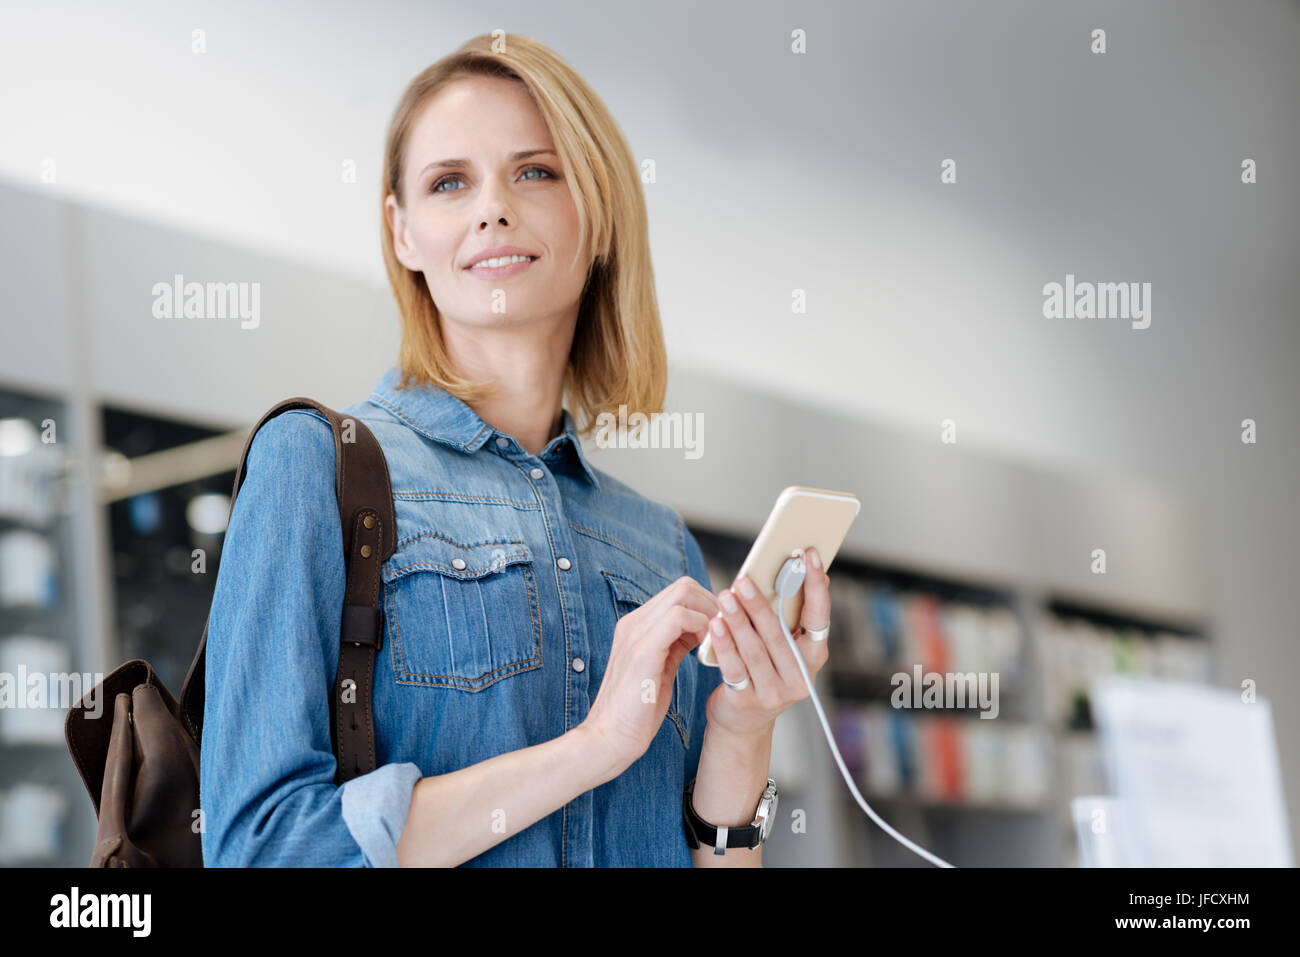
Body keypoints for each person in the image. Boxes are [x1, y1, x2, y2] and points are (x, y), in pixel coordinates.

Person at [200, 32, 833, 868]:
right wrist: (594, 745)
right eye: (448, 182)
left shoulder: (659, 543)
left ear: (599, 211)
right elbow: (259, 850)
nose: (491, 207)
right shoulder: (313, 466)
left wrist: (743, 726)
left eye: (534, 171)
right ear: (403, 233)